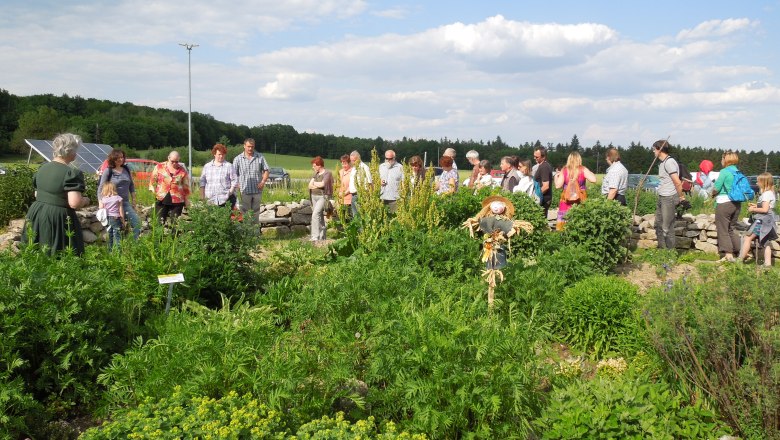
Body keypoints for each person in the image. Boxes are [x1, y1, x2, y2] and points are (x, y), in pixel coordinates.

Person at [22, 133, 90, 255]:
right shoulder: (71, 173)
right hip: (57, 218)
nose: (76, 154)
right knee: (59, 254)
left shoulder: (42, 168)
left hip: (36, 213)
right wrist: (86, 200)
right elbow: (74, 203)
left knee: (37, 252)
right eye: (76, 150)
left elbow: (37, 195)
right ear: (70, 151)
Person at [98, 149, 141, 239]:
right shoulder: (108, 171)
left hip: (125, 203)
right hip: (112, 204)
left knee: (136, 223)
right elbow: (101, 187)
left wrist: (133, 199)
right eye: (118, 158)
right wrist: (100, 202)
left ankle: (134, 246)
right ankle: (114, 250)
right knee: (115, 229)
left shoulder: (126, 169)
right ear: (113, 159)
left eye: (122, 157)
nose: (121, 159)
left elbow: (131, 185)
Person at [737, 173, 777, 267]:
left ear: (764, 182)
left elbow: (765, 209)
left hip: (762, 221)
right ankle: (767, 264)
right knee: (765, 242)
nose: (757, 183)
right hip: (768, 221)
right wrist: (756, 205)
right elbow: (767, 207)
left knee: (748, 237)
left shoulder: (766, 194)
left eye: (758, 181)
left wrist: (753, 209)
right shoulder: (770, 193)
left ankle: (739, 260)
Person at [712, 150, 744, 261]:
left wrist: (712, 194)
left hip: (724, 203)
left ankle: (728, 255)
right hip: (737, 204)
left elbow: (717, 187)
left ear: (725, 160)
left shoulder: (724, 171)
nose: (721, 161)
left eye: (722, 158)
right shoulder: (738, 172)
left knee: (723, 229)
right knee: (732, 228)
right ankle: (741, 251)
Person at [652, 140, 685, 249]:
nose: (653, 152)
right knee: (658, 224)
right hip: (662, 196)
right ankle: (662, 250)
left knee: (667, 227)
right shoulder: (662, 163)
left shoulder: (669, 162)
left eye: (654, 149)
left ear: (659, 150)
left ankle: (670, 255)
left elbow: (677, 181)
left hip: (669, 197)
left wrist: (681, 197)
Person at [554, 151, 596, 230]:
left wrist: (556, 177)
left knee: (564, 223)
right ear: (579, 159)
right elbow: (593, 180)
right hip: (580, 199)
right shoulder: (583, 169)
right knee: (580, 221)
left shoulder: (564, 170)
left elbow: (558, 186)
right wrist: (590, 172)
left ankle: (563, 237)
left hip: (566, 199)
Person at [149, 150, 190, 224]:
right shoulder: (159, 167)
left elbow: (186, 187)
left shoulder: (182, 170)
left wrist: (187, 199)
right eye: (172, 161)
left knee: (175, 223)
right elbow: (152, 181)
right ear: (168, 158)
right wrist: (153, 193)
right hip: (161, 198)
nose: (174, 163)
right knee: (159, 222)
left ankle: (174, 236)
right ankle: (159, 236)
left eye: (177, 162)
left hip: (177, 200)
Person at [233, 138, 270, 218]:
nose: (250, 148)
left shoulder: (260, 157)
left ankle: (255, 230)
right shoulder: (238, 159)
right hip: (244, 190)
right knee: (245, 213)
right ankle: (246, 230)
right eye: (248, 146)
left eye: (252, 147)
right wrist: (237, 184)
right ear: (244, 146)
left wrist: (263, 182)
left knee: (256, 213)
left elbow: (266, 170)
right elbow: (233, 174)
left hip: (257, 190)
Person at [199, 143, 238, 208]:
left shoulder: (229, 166)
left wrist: (230, 192)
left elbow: (235, 180)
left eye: (223, 154)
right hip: (210, 200)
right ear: (214, 154)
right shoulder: (207, 166)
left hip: (226, 200)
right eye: (219, 154)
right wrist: (202, 197)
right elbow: (202, 182)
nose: (221, 156)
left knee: (225, 218)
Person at [308, 156, 334, 242]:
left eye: (314, 165)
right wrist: (316, 184)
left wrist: (315, 184)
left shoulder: (327, 173)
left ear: (319, 165)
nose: (313, 167)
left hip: (322, 197)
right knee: (319, 216)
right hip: (313, 196)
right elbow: (309, 185)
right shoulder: (315, 174)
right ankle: (323, 237)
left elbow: (323, 184)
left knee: (315, 215)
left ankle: (314, 237)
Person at [99, 181, 125, 252]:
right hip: (116, 218)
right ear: (114, 189)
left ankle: (110, 251)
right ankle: (119, 252)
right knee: (117, 235)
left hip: (107, 218)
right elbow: (121, 210)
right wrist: (123, 220)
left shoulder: (103, 199)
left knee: (109, 235)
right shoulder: (118, 198)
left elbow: (101, 208)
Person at [348, 151, 372, 218]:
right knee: (355, 218)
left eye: (354, 160)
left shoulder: (364, 168)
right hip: (353, 196)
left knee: (360, 217)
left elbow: (369, 183)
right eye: (351, 161)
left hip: (361, 196)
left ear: (359, 159)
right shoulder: (354, 169)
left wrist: (369, 198)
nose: (352, 162)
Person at [379, 149, 403, 214]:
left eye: (390, 159)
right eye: (386, 159)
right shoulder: (381, 167)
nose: (388, 160)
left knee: (394, 218)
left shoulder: (400, 167)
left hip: (394, 198)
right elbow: (376, 180)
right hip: (382, 197)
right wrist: (379, 182)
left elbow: (404, 182)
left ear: (394, 158)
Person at [533, 147, 554, 219]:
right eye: (534, 156)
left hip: (543, 200)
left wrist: (536, 197)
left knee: (541, 222)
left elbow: (545, 186)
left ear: (543, 157)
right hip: (543, 199)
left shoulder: (544, 167)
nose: (534, 158)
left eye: (537, 157)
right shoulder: (542, 166)